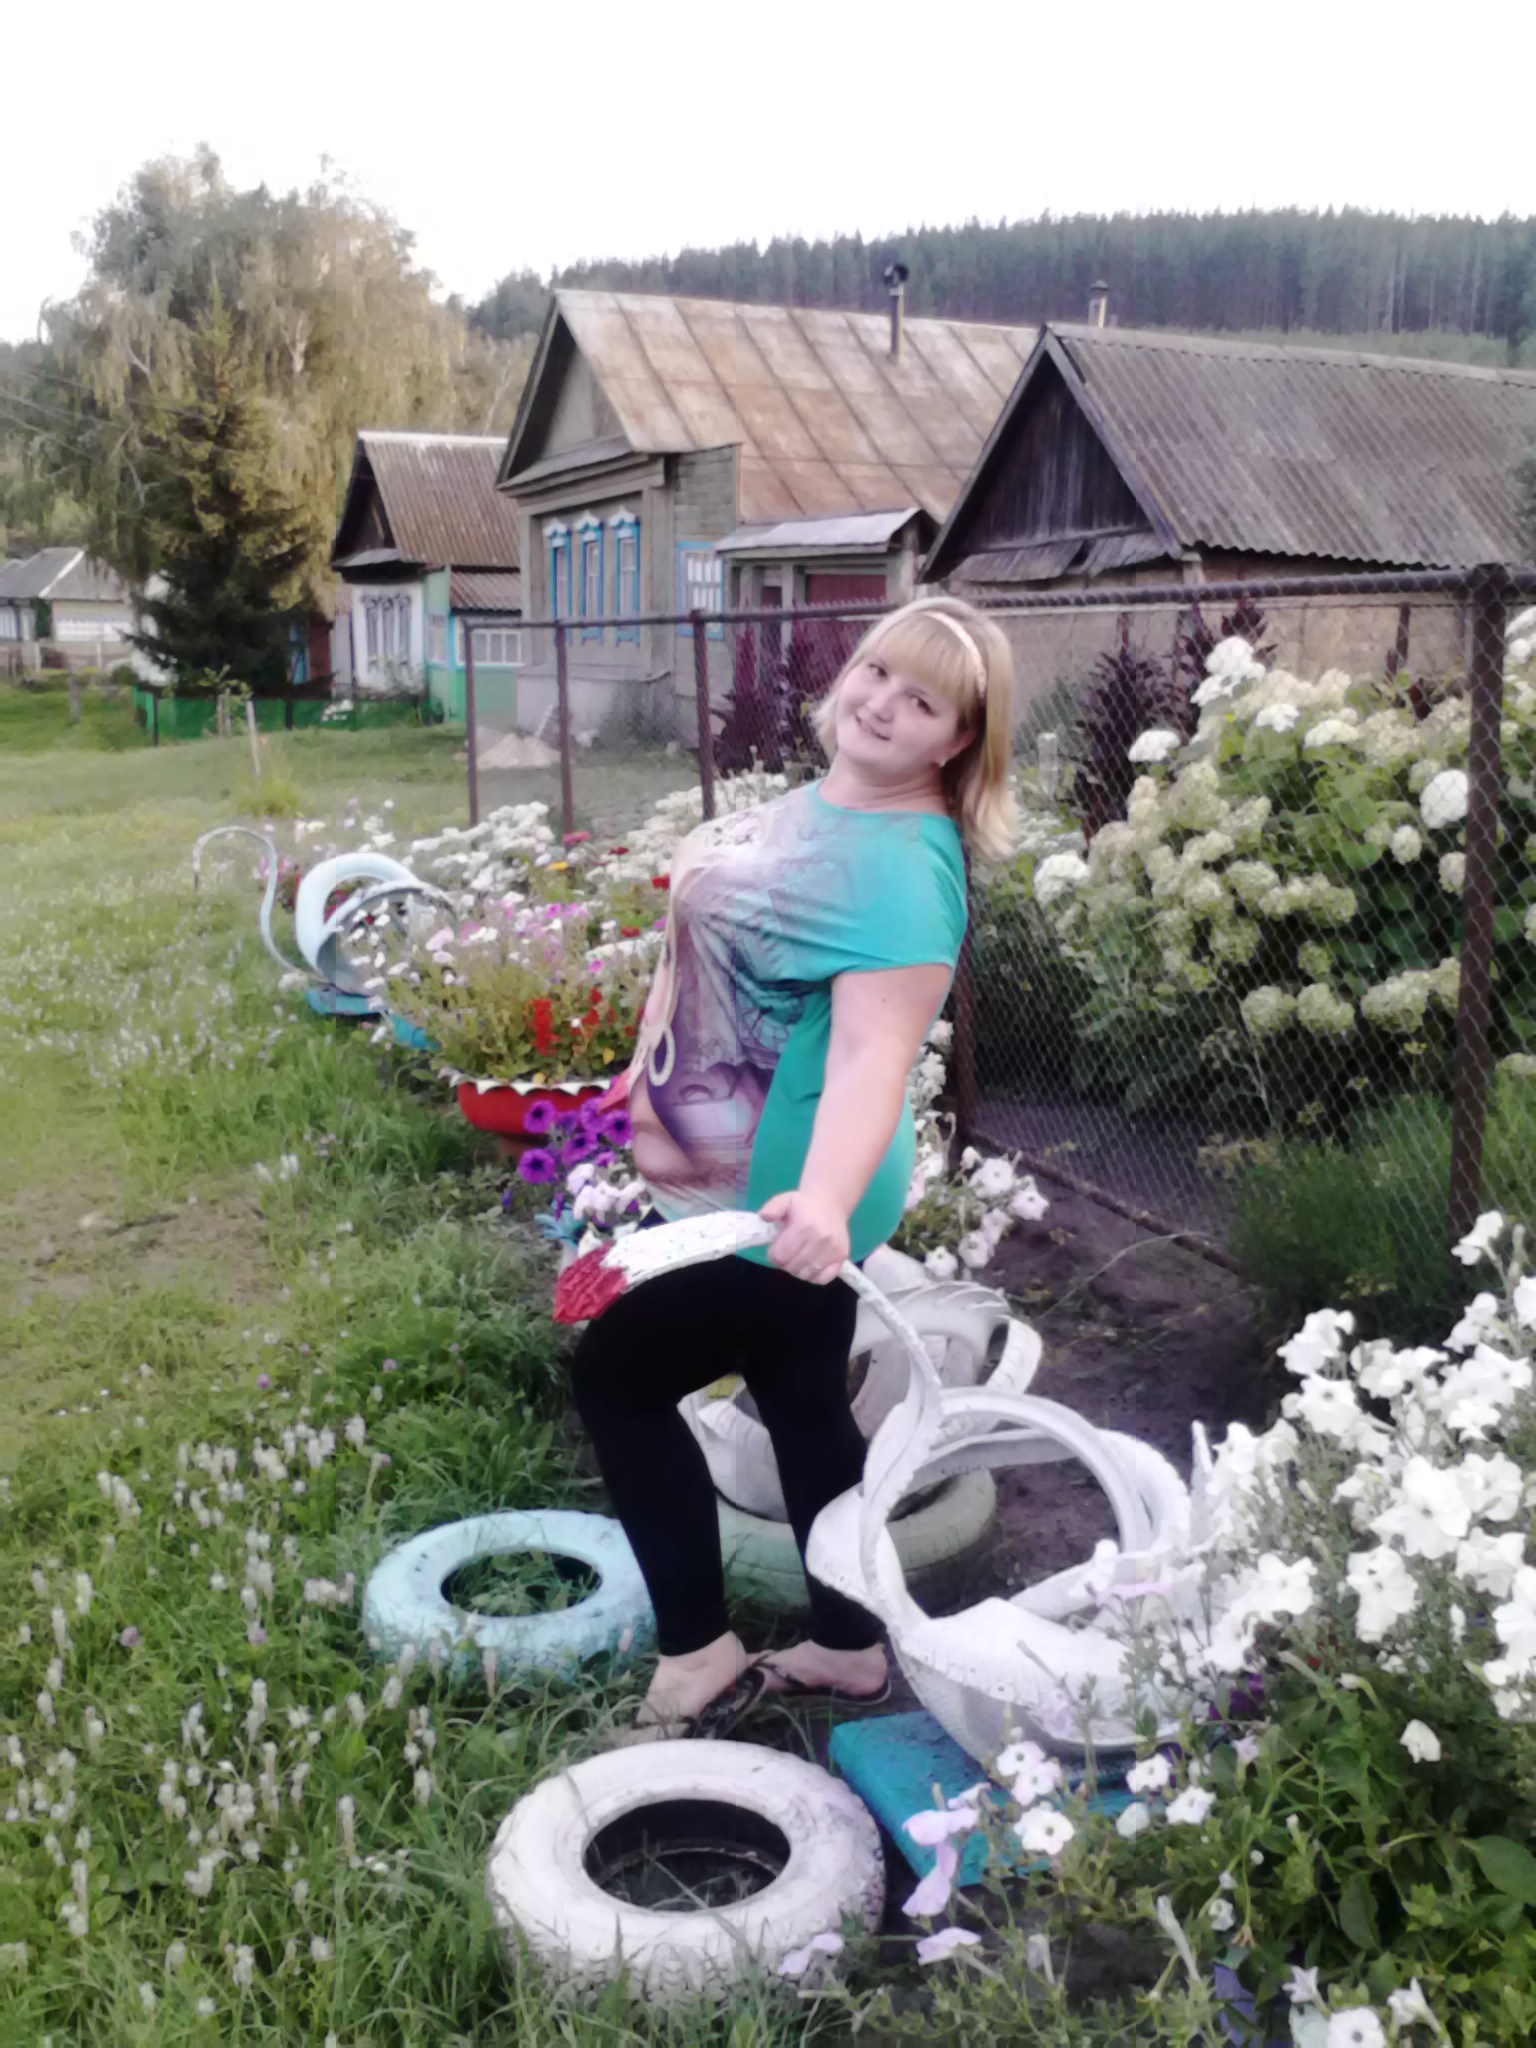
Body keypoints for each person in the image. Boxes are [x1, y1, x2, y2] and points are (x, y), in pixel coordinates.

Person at [568, 594, 1017, 1738]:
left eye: (923, 701)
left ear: (957, 740)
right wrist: (646, 1073)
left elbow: (873, 1054)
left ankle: (698, 1655)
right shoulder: (834, 805)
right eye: (877, 671)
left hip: (777, 1196)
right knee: (802, 1393)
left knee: (617, 1374)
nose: (883, 703)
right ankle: (851, 1646)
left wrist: (819, 1200)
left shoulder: (906, 866)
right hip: (754, 1177)